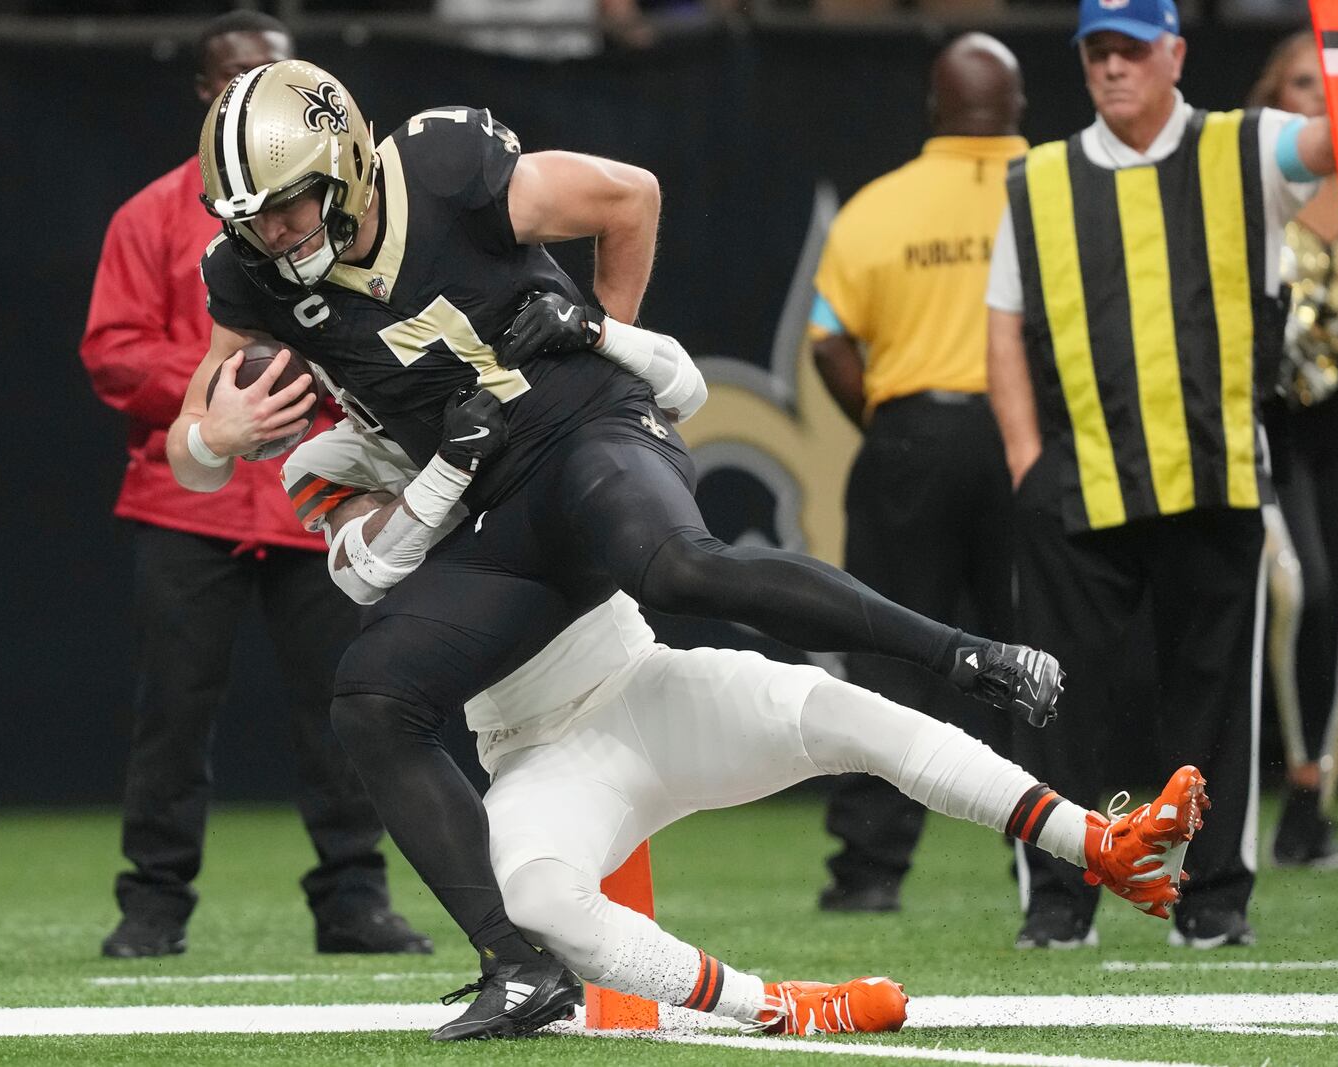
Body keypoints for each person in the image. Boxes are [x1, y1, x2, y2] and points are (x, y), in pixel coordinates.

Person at [170, 60, 1063, 1039]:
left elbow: (629, 196)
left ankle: (960, 653)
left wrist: (605, 338)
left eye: (287, 208)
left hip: (584, 434)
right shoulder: (250, 280)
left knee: (677, 566)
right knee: (371, 698)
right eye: (248, 217)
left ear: (341, 170)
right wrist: (216, 434)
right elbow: (197, 456)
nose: (268, 233)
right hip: (493, 504)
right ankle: (518, 962)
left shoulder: (445, 169)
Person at [279, 336, 1206, 1038]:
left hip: (642, 678)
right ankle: (780, 1008)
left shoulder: (513, 374)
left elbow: (680, 387)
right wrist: (449, 463)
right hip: (531, 741)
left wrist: (598, 329)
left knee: (850, 713)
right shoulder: (328, 459)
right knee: (537, 905)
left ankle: (1100, 841)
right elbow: (369, 567)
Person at [985, 0, 1336, 948]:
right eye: (1097, 50)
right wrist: (1025, 463)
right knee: (1060, 700)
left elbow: (1334, 136)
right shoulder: (1041, 179)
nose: (1112, 67)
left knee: (1216, 702)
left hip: (1216, 471)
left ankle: (1213, 901)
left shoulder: (1248, 148)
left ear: (1176, 53)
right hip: (1080, 478)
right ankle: (1058, 905)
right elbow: (1003, 330)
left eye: (1132, 49)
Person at [80, 14, 428, 959]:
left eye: (277, 70)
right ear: (206, 94)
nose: (258, 85)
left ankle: (355, 899)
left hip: (313, 497)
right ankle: (153, 904)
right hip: (182, 500)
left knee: (346, 701)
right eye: (238, 73)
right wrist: (234, 391)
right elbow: (112, 351)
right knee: (173, 711)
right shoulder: (152, 216)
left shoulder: (346, 215)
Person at [808, 32, 1026, 913]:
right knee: (1041, 655)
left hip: (910, 445)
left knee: (890, 662)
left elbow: (828, 343)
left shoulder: (878, 206)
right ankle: (1059, 874)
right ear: (1018, 108)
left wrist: (892, 426)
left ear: (936, 108)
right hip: (1030, 447)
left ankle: (868, 874)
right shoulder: (1055, 192)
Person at [1247, 31, 1338, 870]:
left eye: (1326, 82)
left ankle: (1310, 808)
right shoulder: (1249, 182)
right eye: (1297, 81)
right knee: (1297, 591)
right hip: (1272, 428)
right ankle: (1270, 790)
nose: (1315, 94)